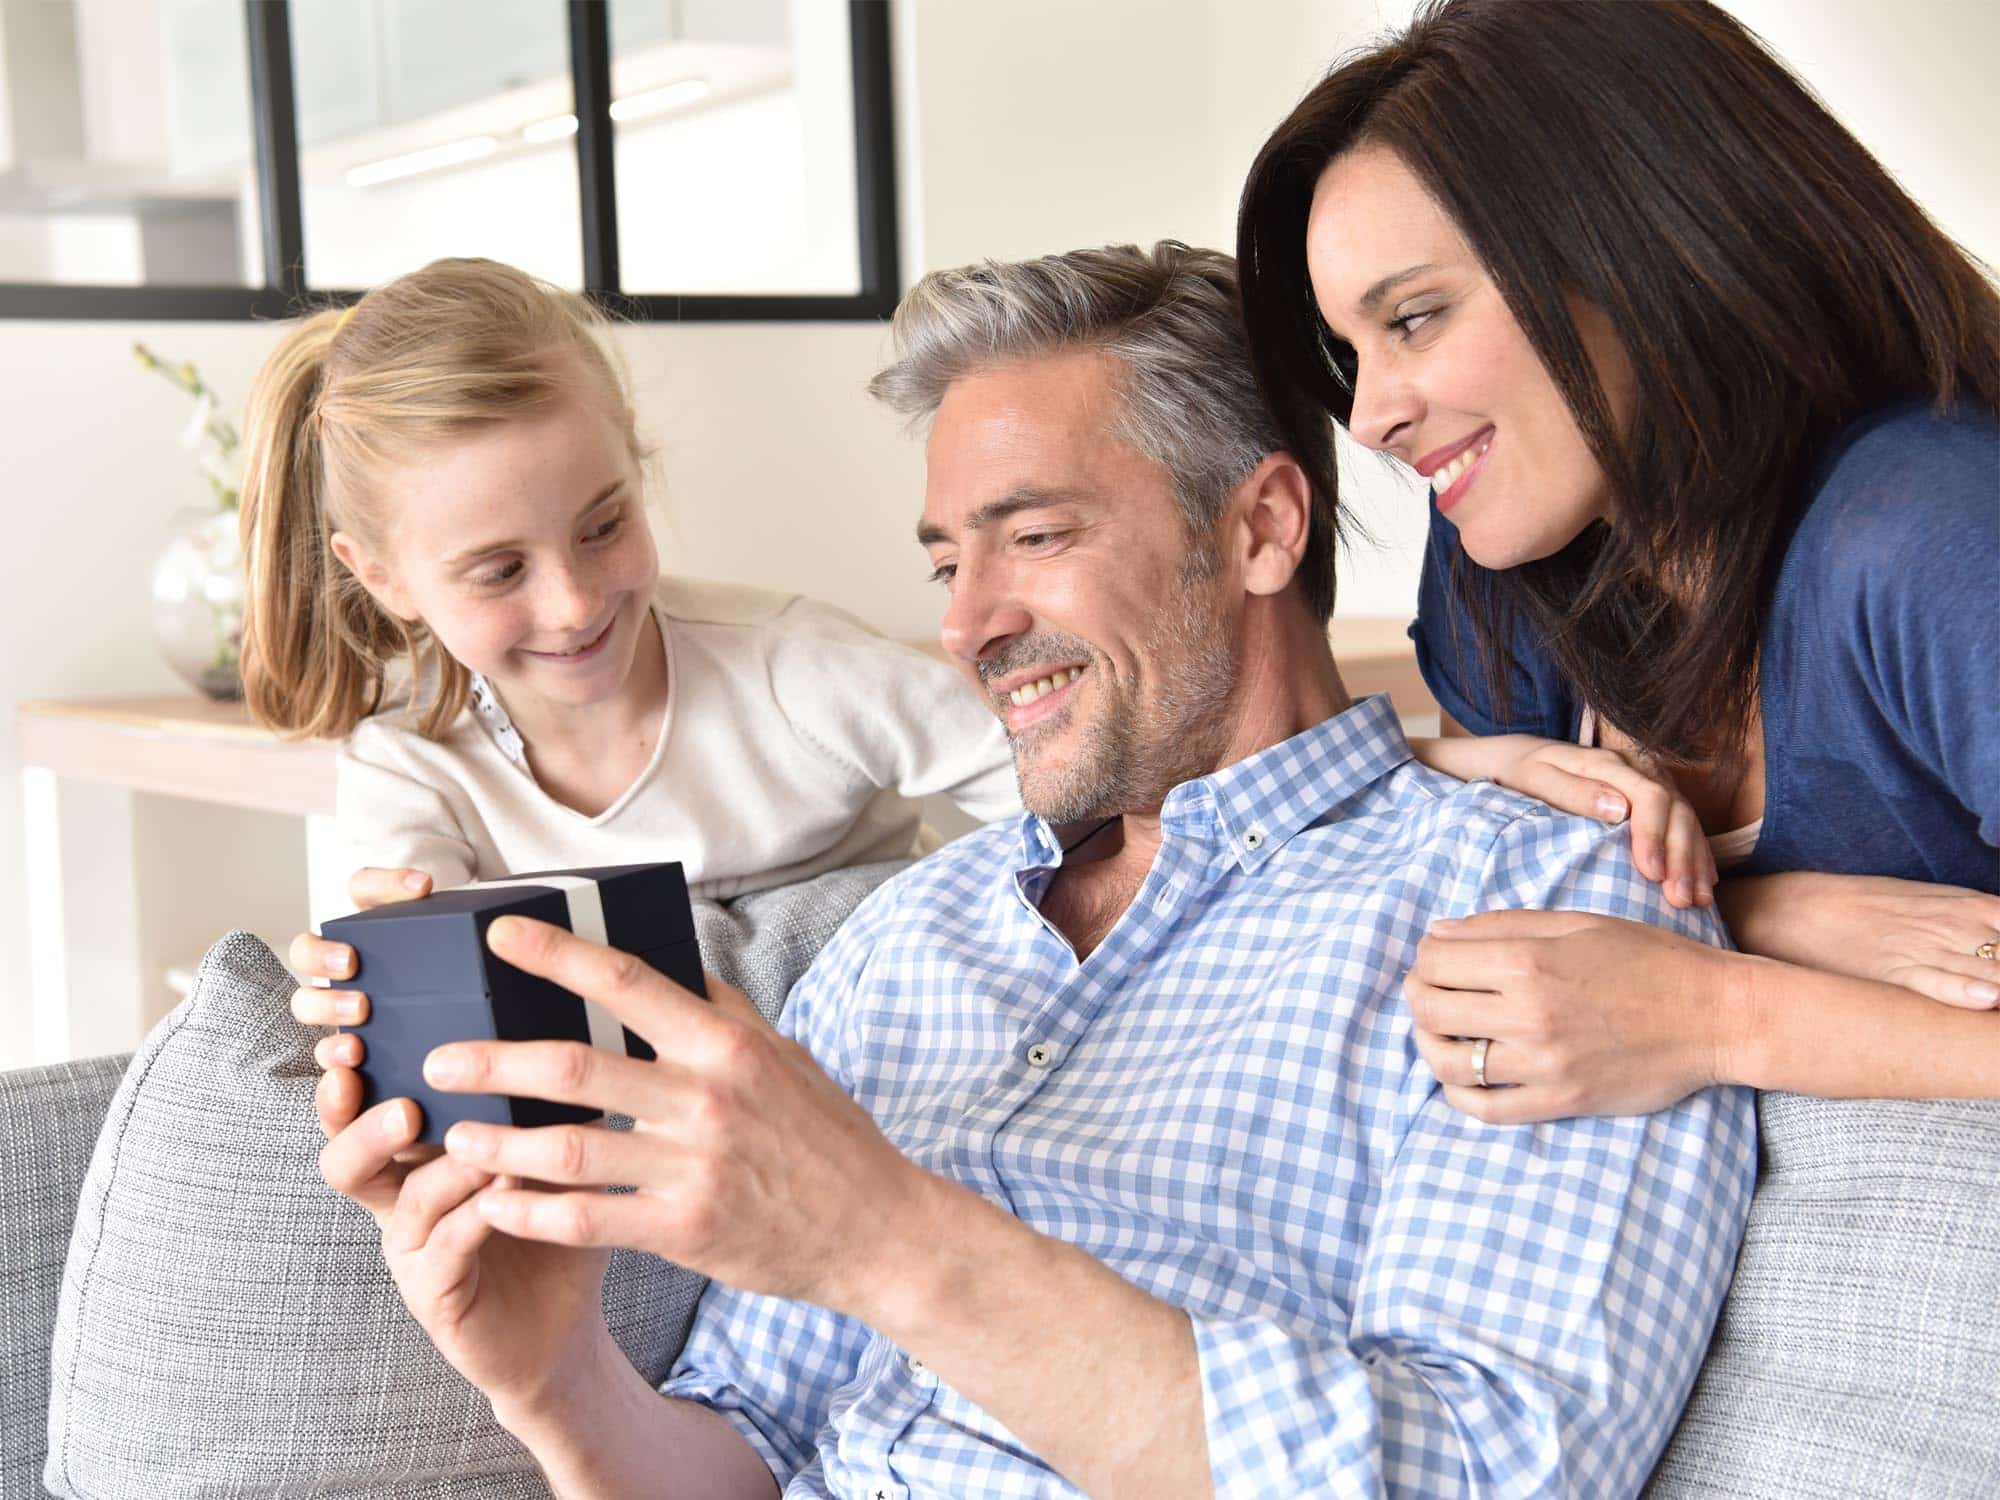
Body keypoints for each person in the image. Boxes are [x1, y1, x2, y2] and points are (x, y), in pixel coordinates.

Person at [290, 243, 1753, 1497]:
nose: (966, 626)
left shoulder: (1546, 915)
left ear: (1259, 526)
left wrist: (889, 1240)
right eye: (945, 566)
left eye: (1035, 538)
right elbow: (753, 1445)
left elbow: (1489, 1474)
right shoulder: (913, 935)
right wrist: (554, 1379)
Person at [1236, 0, 2000, 1122]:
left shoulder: (1926, 534)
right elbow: (1485, 932)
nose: (1369, 417)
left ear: (1636, 242)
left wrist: (1709, 1011)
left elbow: (1592, 962)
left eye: (1413, 318)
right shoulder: (1497, 574)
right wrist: (1769, 916)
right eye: (1349, 353)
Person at [236, 256, 1018, 939]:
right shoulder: (409, 768)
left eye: (603, 526)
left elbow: (1075, 794)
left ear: (634, 467)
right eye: (501, 571)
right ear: (382, 577)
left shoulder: (796, 667)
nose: (574, 604)